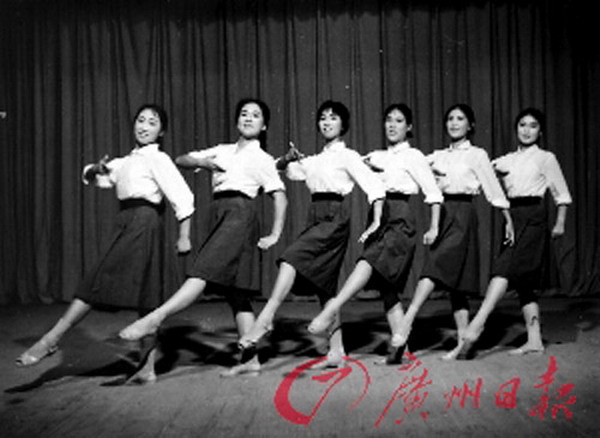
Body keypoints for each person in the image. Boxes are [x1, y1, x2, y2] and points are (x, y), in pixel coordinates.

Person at [15, 104, 195, 378]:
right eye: (141, 120)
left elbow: (183, 196)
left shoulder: (158, 158)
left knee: (111, 284)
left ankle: (52, 338)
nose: (144, 126)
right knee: (142, 294)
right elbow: (92, 175)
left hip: (145, 223)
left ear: (161, 132)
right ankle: (146, 368)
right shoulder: (125, 162)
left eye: (152, 122)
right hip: (127, 222)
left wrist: (184, 236)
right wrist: (96, 169)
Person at [117, 98, 287, 378]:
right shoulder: (221, 150)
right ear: (237, 120)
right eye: (244, 114)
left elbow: (280, 197)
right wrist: (203, 163)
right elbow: (181, 159)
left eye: (255, 115)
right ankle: (250, 360)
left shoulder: (263, 159)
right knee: (236, 293)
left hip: (240, 215)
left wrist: (275, 234)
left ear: (264, 125)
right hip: (219, 213)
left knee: (201, 272)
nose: (248, 118)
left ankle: (155, 318)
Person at [239, 100, 385, 369]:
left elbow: (374, 187)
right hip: (315, 215)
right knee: (323, 286)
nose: (327, 122)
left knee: (291, 257)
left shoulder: (348, 156)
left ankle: (267, 316)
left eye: (333, 118)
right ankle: (337, 352)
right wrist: (288, 158)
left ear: (343, 124)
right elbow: (283, 169)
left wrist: (376, 220)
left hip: (334, 217)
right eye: (323, 118)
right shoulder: (314, 160)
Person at [306, 103, 443, 365]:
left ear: (409, 127)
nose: (392, 125)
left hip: (400, 217)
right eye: (388, 119)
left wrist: (434, 226)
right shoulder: (375, 156)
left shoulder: (413, 155)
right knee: (387, 289)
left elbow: (434, 193)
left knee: (367, 262)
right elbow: (348, 164)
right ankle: (401, 352)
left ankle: (332, 308)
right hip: (378, 217)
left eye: (399, 121)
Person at [392, 103, 515, 360]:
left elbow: (493, 189)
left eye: (460, 119)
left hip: (463, 215)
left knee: (434, 266)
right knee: (456, 284)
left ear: (470, 125)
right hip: (443, 212)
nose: (454, 123)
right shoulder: (437, 156)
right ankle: (462, 343)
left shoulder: (477, 155)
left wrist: (507, 219)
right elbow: (408, 165)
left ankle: (408, 320)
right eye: (450, 118)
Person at [456, 107, 572, 359]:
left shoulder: (546, 158)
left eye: (533, 126)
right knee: (523, 282)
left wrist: (560, 223)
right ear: (516, 128)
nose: (527, 130)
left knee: (504, 269)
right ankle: (535, 340)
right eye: (522, 125)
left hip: (534, 217)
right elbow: (481, 173)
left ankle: (478, 322)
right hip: (512, 218)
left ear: (540, 131)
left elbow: (561, 193)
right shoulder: (505, 160)